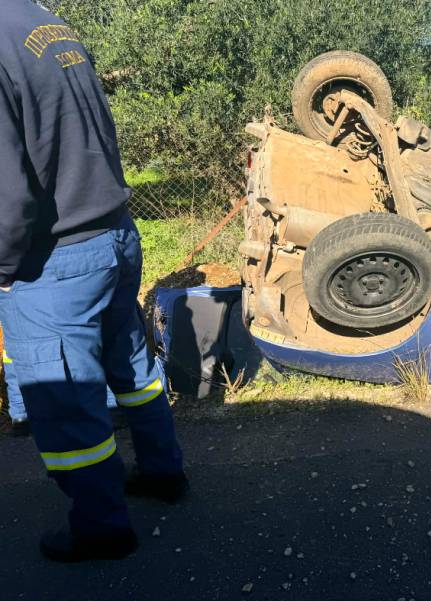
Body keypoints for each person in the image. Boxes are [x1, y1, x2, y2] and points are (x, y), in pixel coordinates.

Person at [0, 0, 186, 562]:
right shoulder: (40, 20)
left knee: (66, 400)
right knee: (131, 366)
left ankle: (102, 527)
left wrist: (3, 270)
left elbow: (8, 191)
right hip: (112, 233)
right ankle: (163, 473)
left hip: (53, 257)